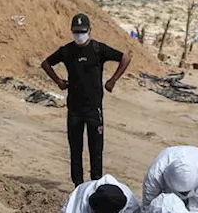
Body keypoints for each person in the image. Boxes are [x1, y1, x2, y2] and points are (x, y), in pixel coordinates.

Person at [42, 13, 132, 186]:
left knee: (96, 149)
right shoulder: (67, 50)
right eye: (76, 31)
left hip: (94, 109)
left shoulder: (98, 49)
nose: (79, 34)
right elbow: (46, 63)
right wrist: (58, 81)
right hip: (74, 109)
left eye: (82, 31)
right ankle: (78, 185)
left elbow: (125, 58)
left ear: (89, 30)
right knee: (75, 149)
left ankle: (95, 184)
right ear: (71, 31)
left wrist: (113, 80)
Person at [142, 145, 198, 213]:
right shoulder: (154, 175)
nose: (184, 195)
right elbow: (147, 207)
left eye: (186, 192)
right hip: (168, 167)